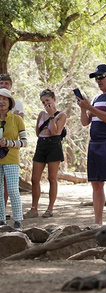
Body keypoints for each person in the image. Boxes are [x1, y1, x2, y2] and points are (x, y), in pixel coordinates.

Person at [77, 64, 106, 224]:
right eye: (96, 78)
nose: (98, 81)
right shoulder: (97, 98)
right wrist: (83, 108)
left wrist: (90, 107)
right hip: (94, 144)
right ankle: (98, 223)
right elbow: (85, 122)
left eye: (101, 77)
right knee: (96, 184)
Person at [24, 89, 66, 219]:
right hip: (41, 144)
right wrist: (46, 115)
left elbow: (54, 131)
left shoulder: (61, 115)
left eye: (48, 100)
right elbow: (38, 132)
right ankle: (34, 208)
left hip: (54, 145)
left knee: (52, 178)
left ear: (54, 99)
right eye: (43, 102)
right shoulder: (41, 114)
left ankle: (50, 208)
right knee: (35, 178)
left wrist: (52, 115)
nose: (46, 104)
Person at [0, 88, 27, 230]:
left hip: (11, 159)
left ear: (10, 102)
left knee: (12, 189)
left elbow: (24, 142)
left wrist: (9, 143)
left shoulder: (17, 119)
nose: (1, 102)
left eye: (4, 99)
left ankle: (17, 220)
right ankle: (1, 220)